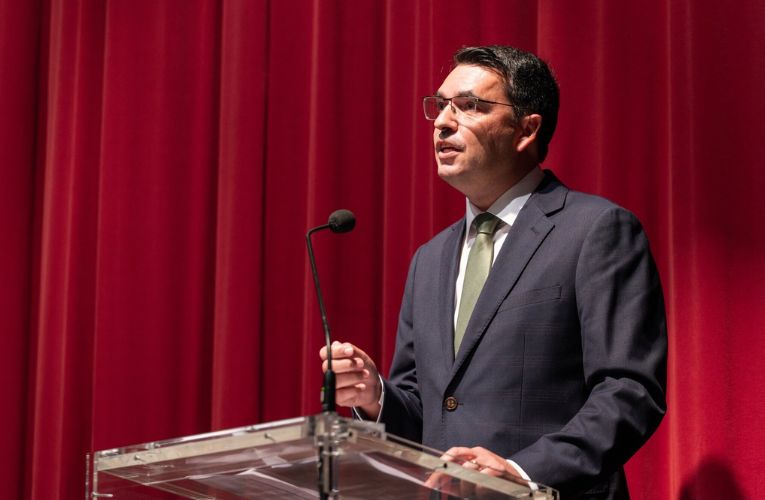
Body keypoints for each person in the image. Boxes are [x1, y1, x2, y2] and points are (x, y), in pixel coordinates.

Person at [319, 45, 667, 499]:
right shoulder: (429, 260)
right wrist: (375, 397)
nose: (443, 122)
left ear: (526, 129)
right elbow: (428, 412)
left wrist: (522, 472)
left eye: (469, 106)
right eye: (440, 105)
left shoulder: (595, 231)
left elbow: (629, 391)